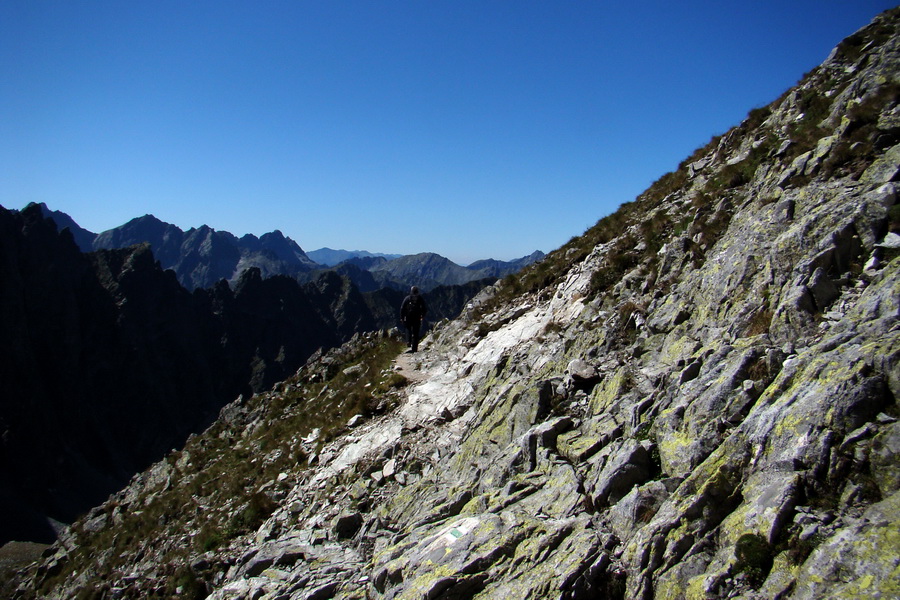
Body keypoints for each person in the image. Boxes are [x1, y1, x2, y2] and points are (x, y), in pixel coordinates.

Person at [400, 286, 427, 352]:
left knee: (408, 329)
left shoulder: (407, 298)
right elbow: (424, 308)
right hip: (417, 318)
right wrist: (422, 316)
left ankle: (408, 341)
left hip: (408, 316)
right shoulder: (420, 298)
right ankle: (414, 348)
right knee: (416, 333)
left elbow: (402, 308)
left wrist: (402, 318)